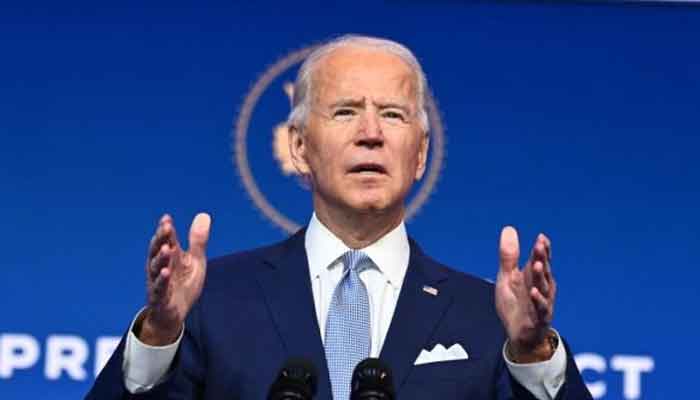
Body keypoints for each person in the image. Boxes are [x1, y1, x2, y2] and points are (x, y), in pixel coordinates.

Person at [86, 35, 592, 400]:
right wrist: (157, 335)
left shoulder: (490, 316)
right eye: (346, 111)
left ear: (419, 155)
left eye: (393, 115)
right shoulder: (211, 300)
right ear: (301, 147)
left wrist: (529, 354)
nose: (371, 133)